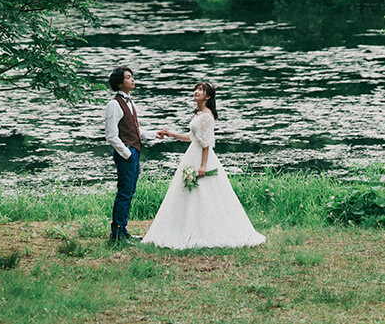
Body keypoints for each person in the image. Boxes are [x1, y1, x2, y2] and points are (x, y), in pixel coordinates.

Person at [144, 81, 265, 249]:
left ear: (207, 96)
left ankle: (205, 229)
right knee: (188, 192)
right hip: (192, 153)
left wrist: (202, 165)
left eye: (201, 90)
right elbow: (192, 137)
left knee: (204, 192)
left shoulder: (207, 115)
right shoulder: (199, 114)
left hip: (201, 157)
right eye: (196, 89)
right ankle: (186, 227)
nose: (196, 92)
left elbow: (206, 143)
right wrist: (171, 134)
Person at [104, 65, 158, 243]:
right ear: (119, 83)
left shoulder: (130, 102)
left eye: (132, 76)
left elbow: (134, 130)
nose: (132, 79)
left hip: (133, 151)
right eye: (128, 77)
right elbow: (111, 136)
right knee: (124, 193)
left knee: (130, 191)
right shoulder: (114, 104)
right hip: (126, 154)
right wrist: (127, 154)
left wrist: (154, 134)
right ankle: (117, 233)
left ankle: (123, 229)